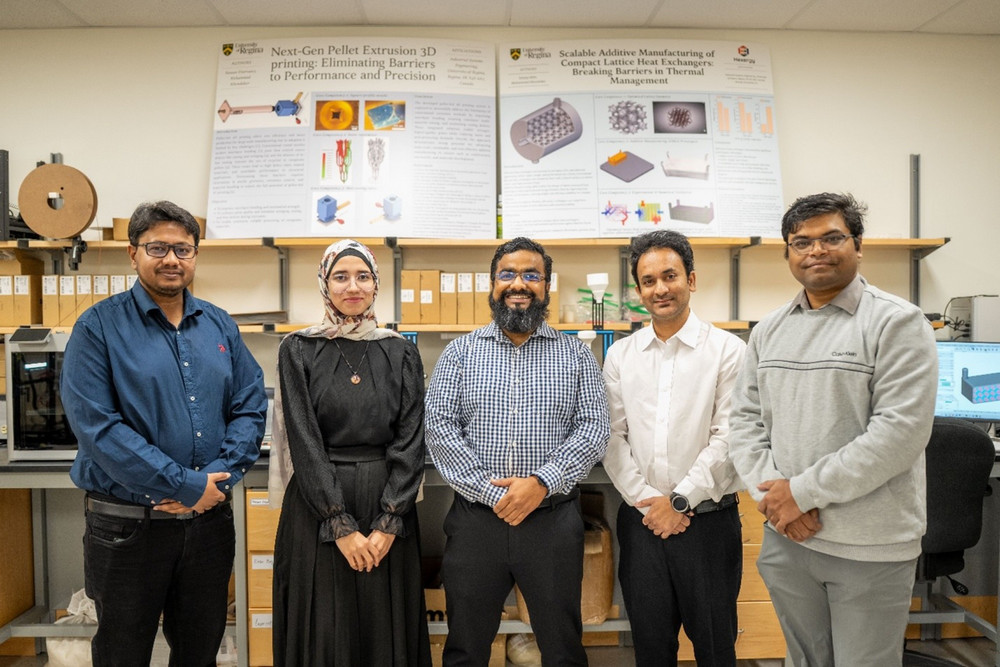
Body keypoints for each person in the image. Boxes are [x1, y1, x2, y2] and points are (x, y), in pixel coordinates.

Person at [729, 192, 937, 666]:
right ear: (788, 253)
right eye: (801, 242)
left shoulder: (897, 322)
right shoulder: (769, 330)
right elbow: (744, 421)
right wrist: (777, 501)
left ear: (858, 246)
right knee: (804, 661)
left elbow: (898, 435)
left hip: (869, 547)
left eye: (831, 238)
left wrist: (799, 493)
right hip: (788, 538)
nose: (816, 251)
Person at [61, 200, 268, 666]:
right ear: (132, 254)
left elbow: (251, 405)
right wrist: (183, 484)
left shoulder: (218, 324)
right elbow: (98, 427)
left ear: (195, 255)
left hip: (209, 527)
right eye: (158, 247)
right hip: (128, 529)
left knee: (199, 649)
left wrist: (218, 475)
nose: (172, 259)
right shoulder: (98, 328)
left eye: (183, 249)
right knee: (123, 651)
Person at [425, 237, 610, 666]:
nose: (519, 284)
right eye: (507, 274)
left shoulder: (576, 356)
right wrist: (496, 496)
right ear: (492, 284)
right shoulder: (461, 353)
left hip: (551, 521)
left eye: (532, 275)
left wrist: (541, 483)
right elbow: (439, 427)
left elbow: (595, 427)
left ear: (547, 286)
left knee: (562, 646)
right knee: (466, 647)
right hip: (476, 524)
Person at [268, 239, 431, 666]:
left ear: (376, 284)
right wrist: (338, 524)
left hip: (386, 505)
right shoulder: (298, 349)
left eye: (363, 276)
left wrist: (389, 522)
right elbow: (302, 439)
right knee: (323, 630)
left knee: (385, 629)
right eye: (340, 276)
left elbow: (411, 438)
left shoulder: (401, 351)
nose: (352, 286)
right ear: (325, 283)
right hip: (317, 505)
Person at [603, 230, 746, 666]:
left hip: (708, 525)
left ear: (692, 279)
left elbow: (731, 436)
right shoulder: (621, 356)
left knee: (716, 648)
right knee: (650, 648)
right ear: (639, 290)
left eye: (670, 276)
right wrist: (651, 505)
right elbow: (611, 437)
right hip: (642, 525)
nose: (660, 288)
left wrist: (680, 501)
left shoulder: (728, 351)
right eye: (648, 281)